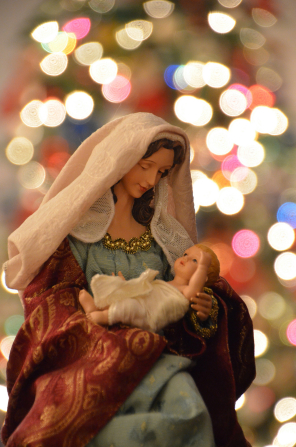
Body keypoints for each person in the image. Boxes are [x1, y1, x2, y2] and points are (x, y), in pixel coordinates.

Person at [1, 113, 255, 447]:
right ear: (120, 161)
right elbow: (52, 302)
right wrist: (94, 327)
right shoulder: (78, 236)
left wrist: (201, 313)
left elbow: (176, 298)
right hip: (92, 362)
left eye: (161, 172)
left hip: (156, 361)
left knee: (190, 412)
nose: (151, 179)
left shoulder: (164, 240)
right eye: (145, 166)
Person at [79, 244, 220, 333]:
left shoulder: (185, 291)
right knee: (121, 296)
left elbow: (195, 290)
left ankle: (103, 317)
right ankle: (95, 309)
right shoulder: (166, 283)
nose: (187, 258)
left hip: (149, 317)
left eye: (195, 261)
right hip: (143, 305)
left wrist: (203, 267)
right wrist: (127, 286)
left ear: (203, 278)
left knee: (129, 307)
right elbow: (144, 292)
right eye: (186, 254)